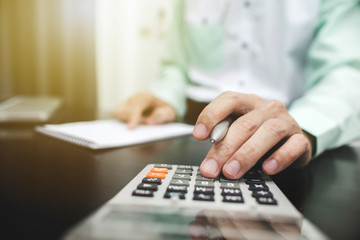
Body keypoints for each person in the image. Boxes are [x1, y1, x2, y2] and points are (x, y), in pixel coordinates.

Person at [114, 0, 360, 179]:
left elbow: (347, 72)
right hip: (195, 126)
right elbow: (176, 64)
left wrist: (304, 128)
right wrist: (165, 97)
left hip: (284, 126)